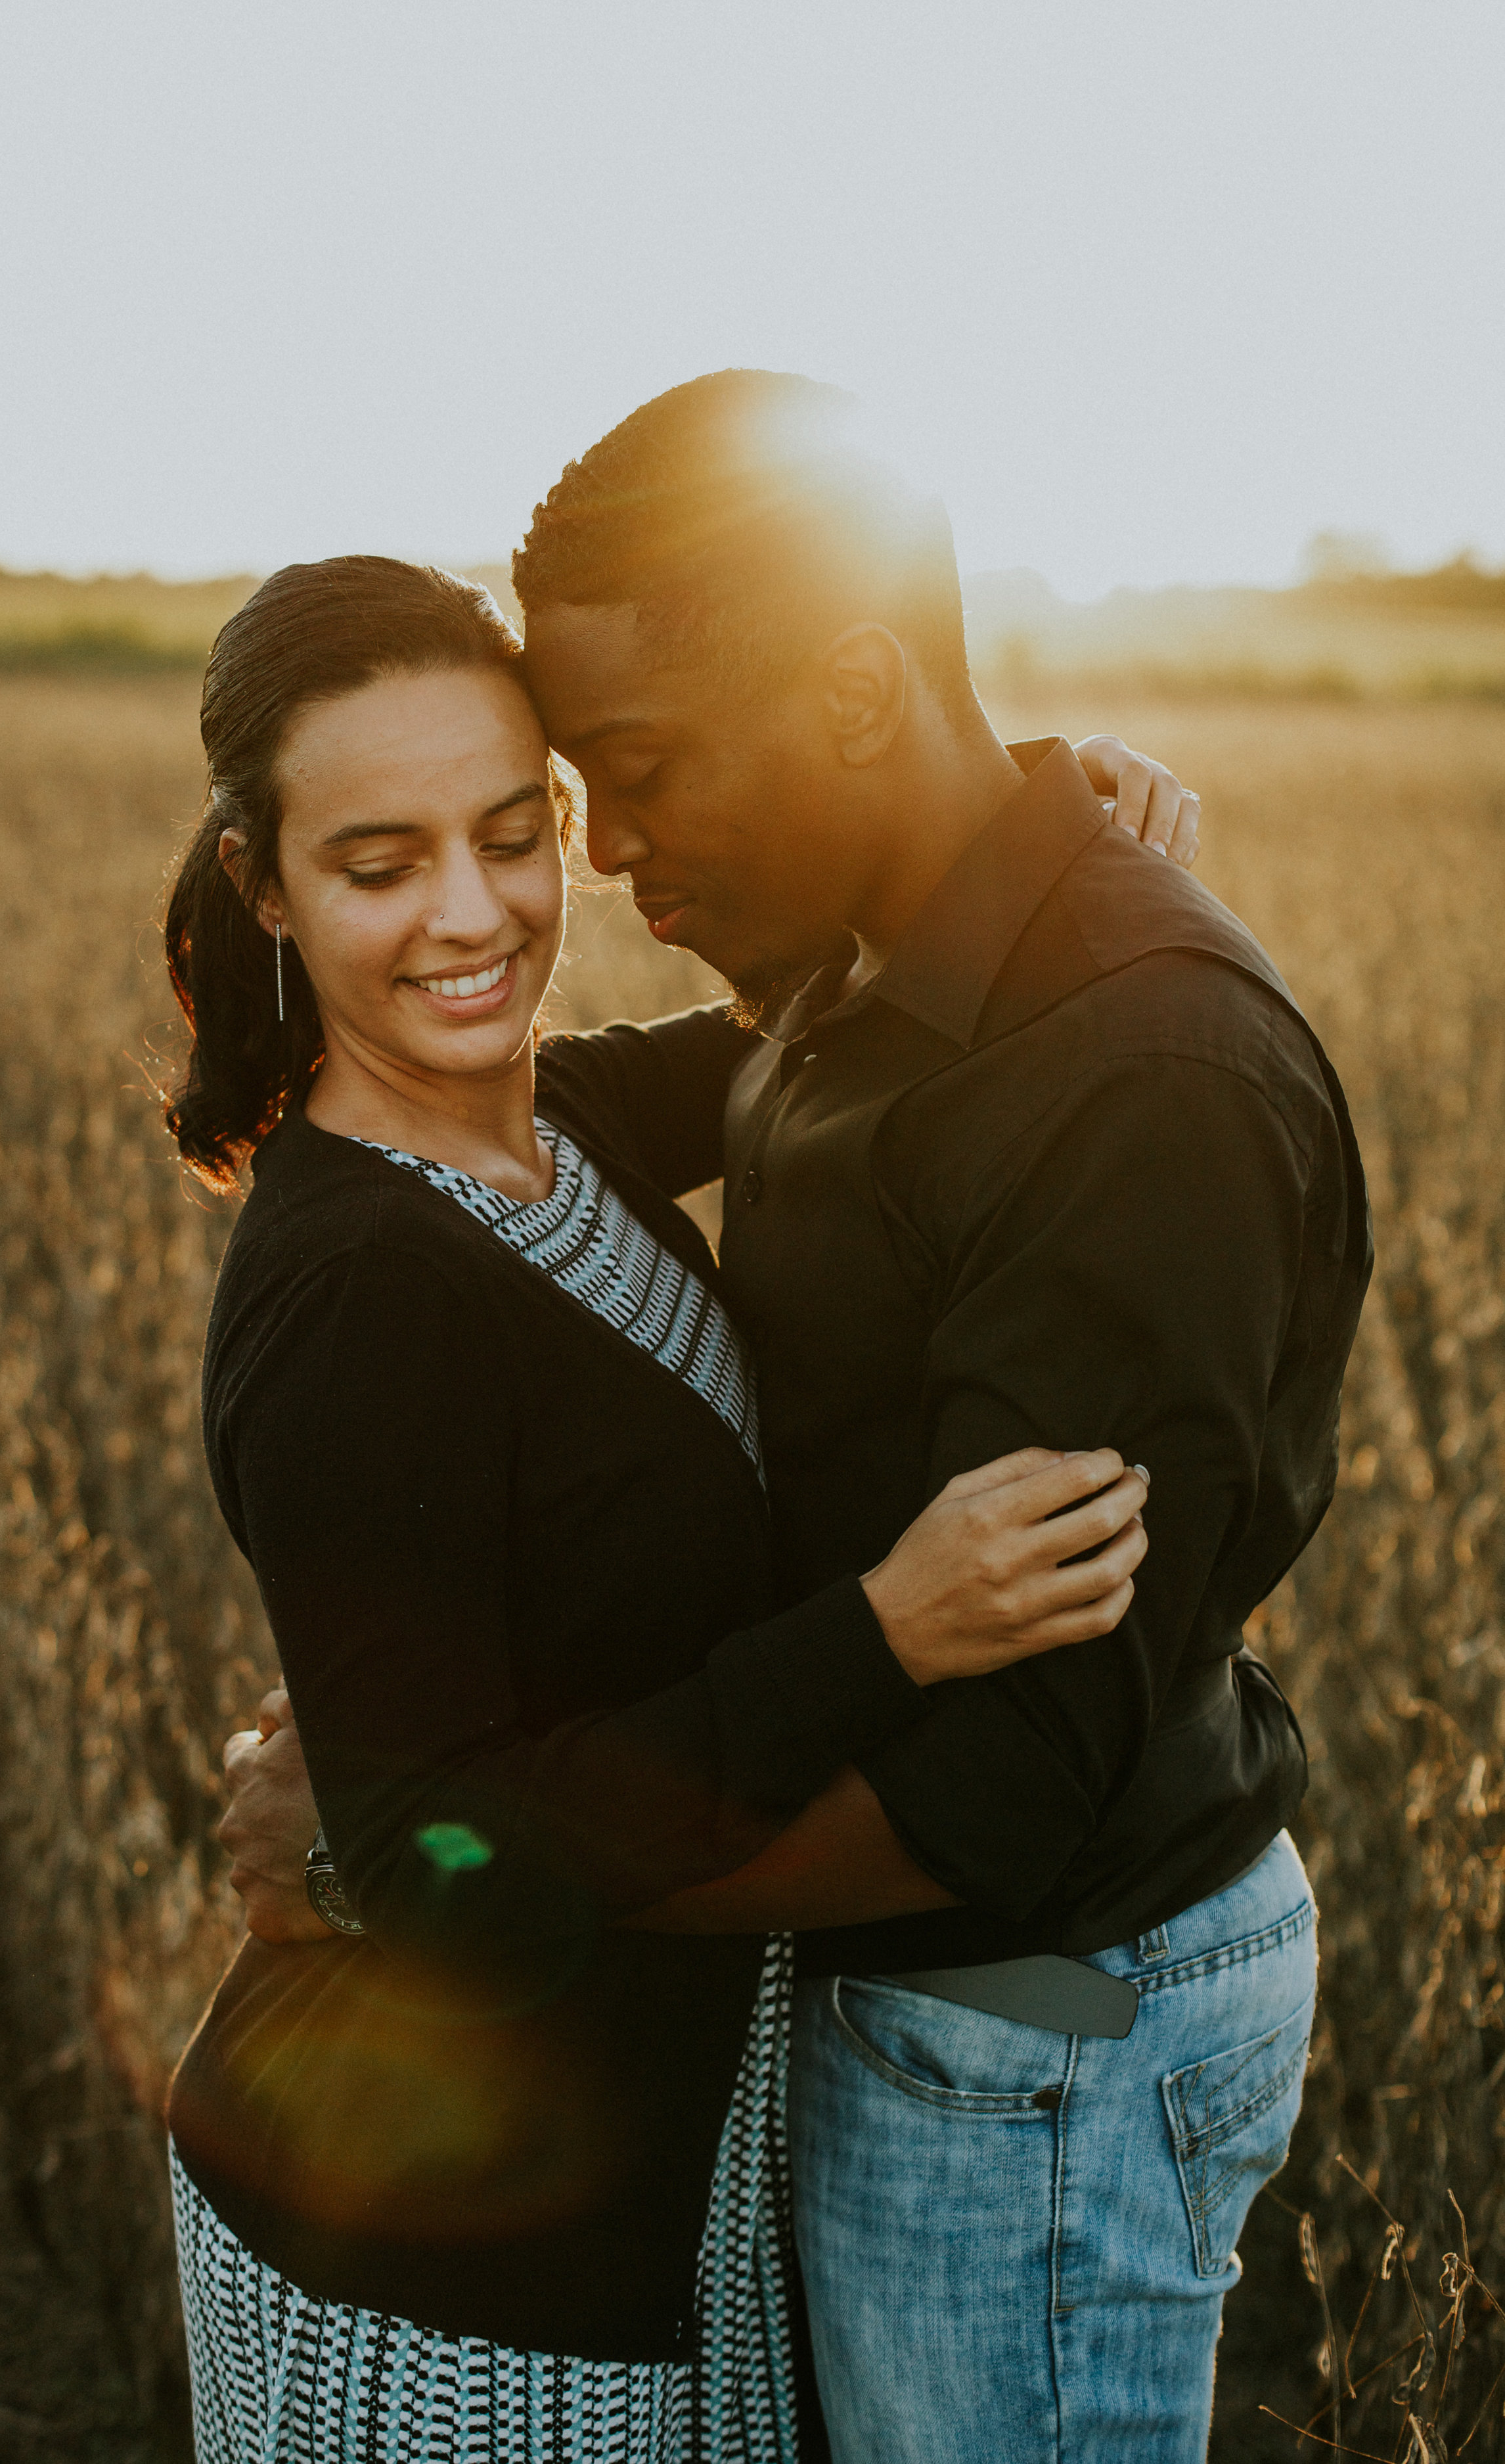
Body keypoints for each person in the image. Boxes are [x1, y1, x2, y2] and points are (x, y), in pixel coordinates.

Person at [227, 373, 1370, 2462]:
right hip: (896, 2022)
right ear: (274, 885)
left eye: (613, 783)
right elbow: (558, 1107)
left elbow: (997, 1791)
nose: (600, 861)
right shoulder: (854, 980)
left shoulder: (1131, 1082)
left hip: (1027, 2034)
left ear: (853, 691)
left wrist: (424, 1856)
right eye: (568, 792)